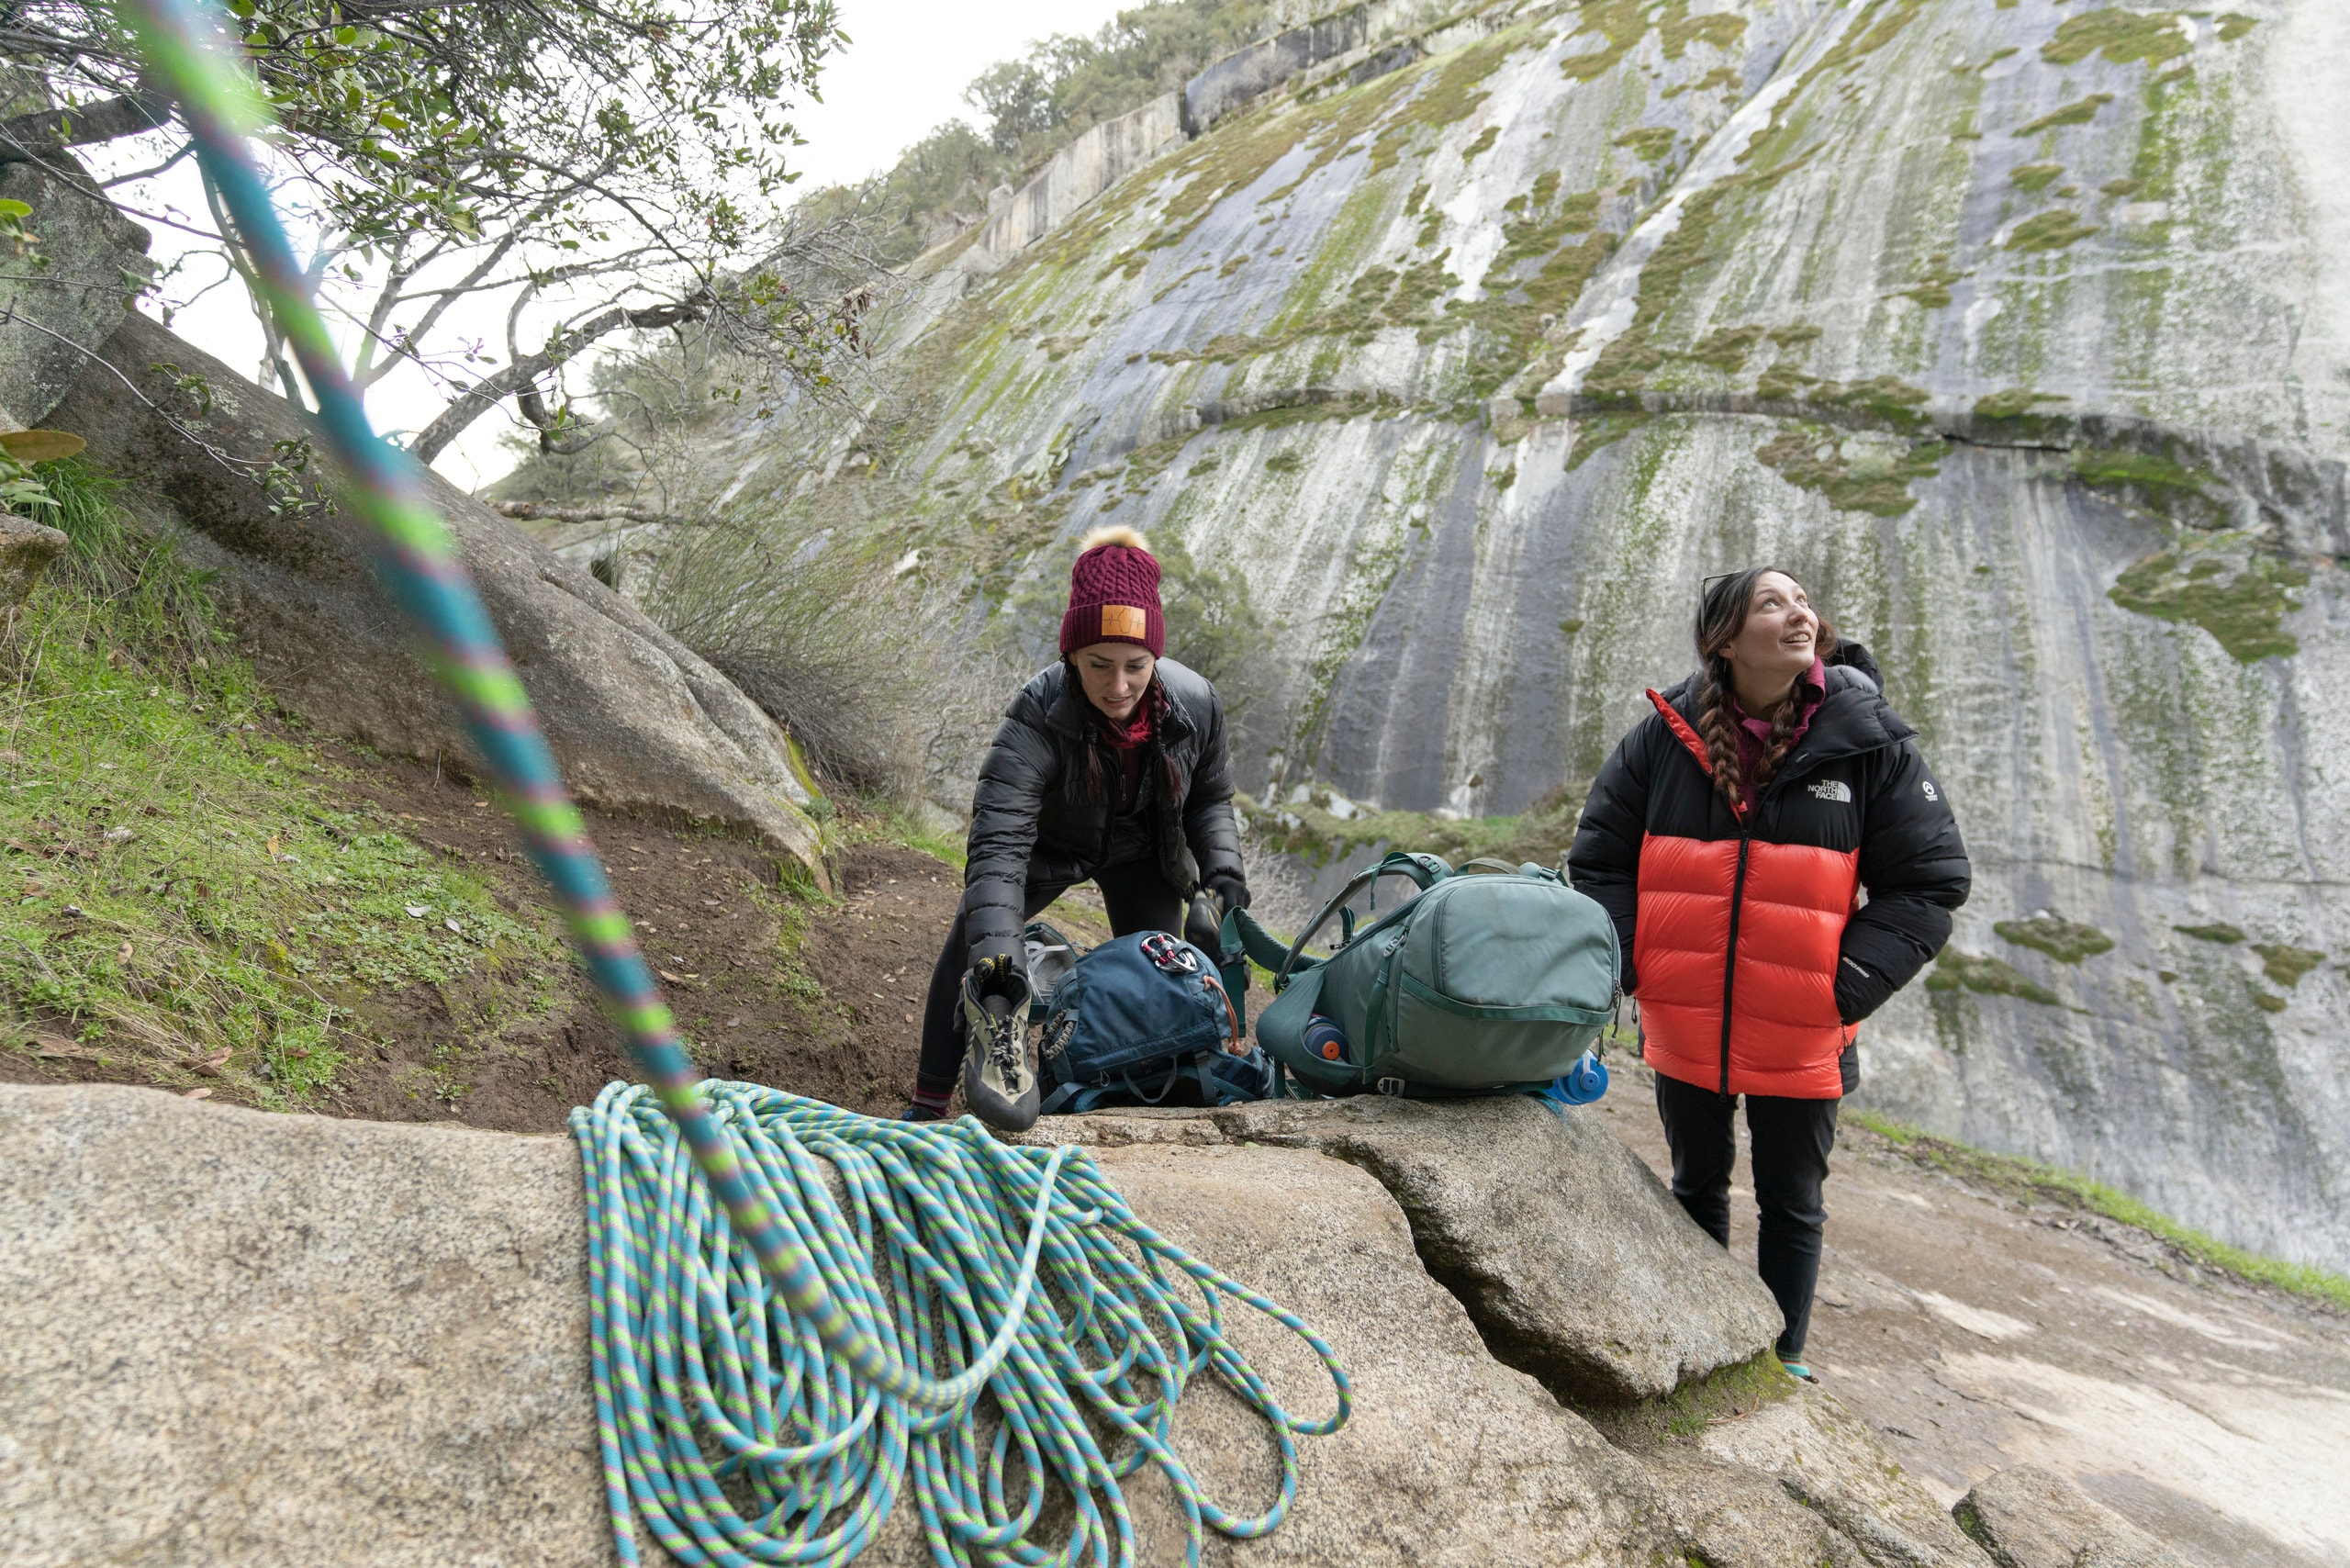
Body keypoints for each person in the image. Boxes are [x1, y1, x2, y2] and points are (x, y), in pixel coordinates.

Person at [1568, 566, 1969, 1382]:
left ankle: (1781, 1362)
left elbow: (1931, 882)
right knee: (1694, 1189)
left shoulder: (1868, 741)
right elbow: (1599, 858)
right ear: (1725, 639)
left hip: (1802, 1027)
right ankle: (1701, 1340)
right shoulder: (1664, 735)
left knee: (1792, 1205)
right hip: (1687, 1022)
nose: (1800, 614)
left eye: (1803, 601)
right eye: (1772, 603)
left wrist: (1846, 985)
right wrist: (1640, 962)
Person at [903, 524, 1249, 1127]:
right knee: (974, 940)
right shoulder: (1033, 721)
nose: (1118, 687)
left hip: (1144, 849)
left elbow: (1211, 800)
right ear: (1069, 655)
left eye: (1136, 666)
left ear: (1156, 657)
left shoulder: (1196, 705)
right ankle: (929, 1105)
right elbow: (998, 858)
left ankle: (1147, 1082)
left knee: (1160, 973)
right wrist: (999, 984)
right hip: (1051, 847)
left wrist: (1221, 876)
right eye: (1098, 665)